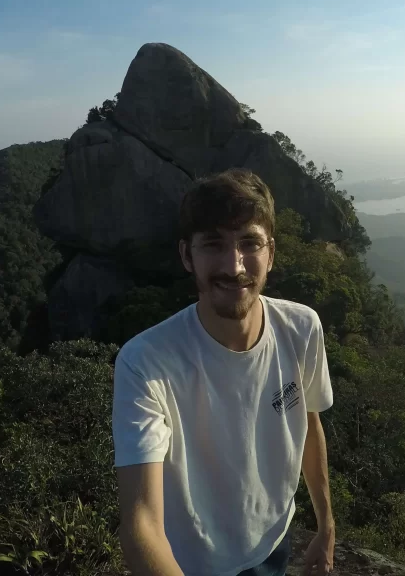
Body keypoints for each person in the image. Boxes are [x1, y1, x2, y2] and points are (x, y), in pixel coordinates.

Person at [113, 168, 336, 576]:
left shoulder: (302, 328)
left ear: (271, 252)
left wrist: (326, 523)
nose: (234, 266)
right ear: (186, 255)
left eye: (249, 243)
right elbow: (141, 521)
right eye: (213, 244)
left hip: (274, 542)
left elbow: (308, 421)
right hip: (193, 563)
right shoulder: (146, 362)